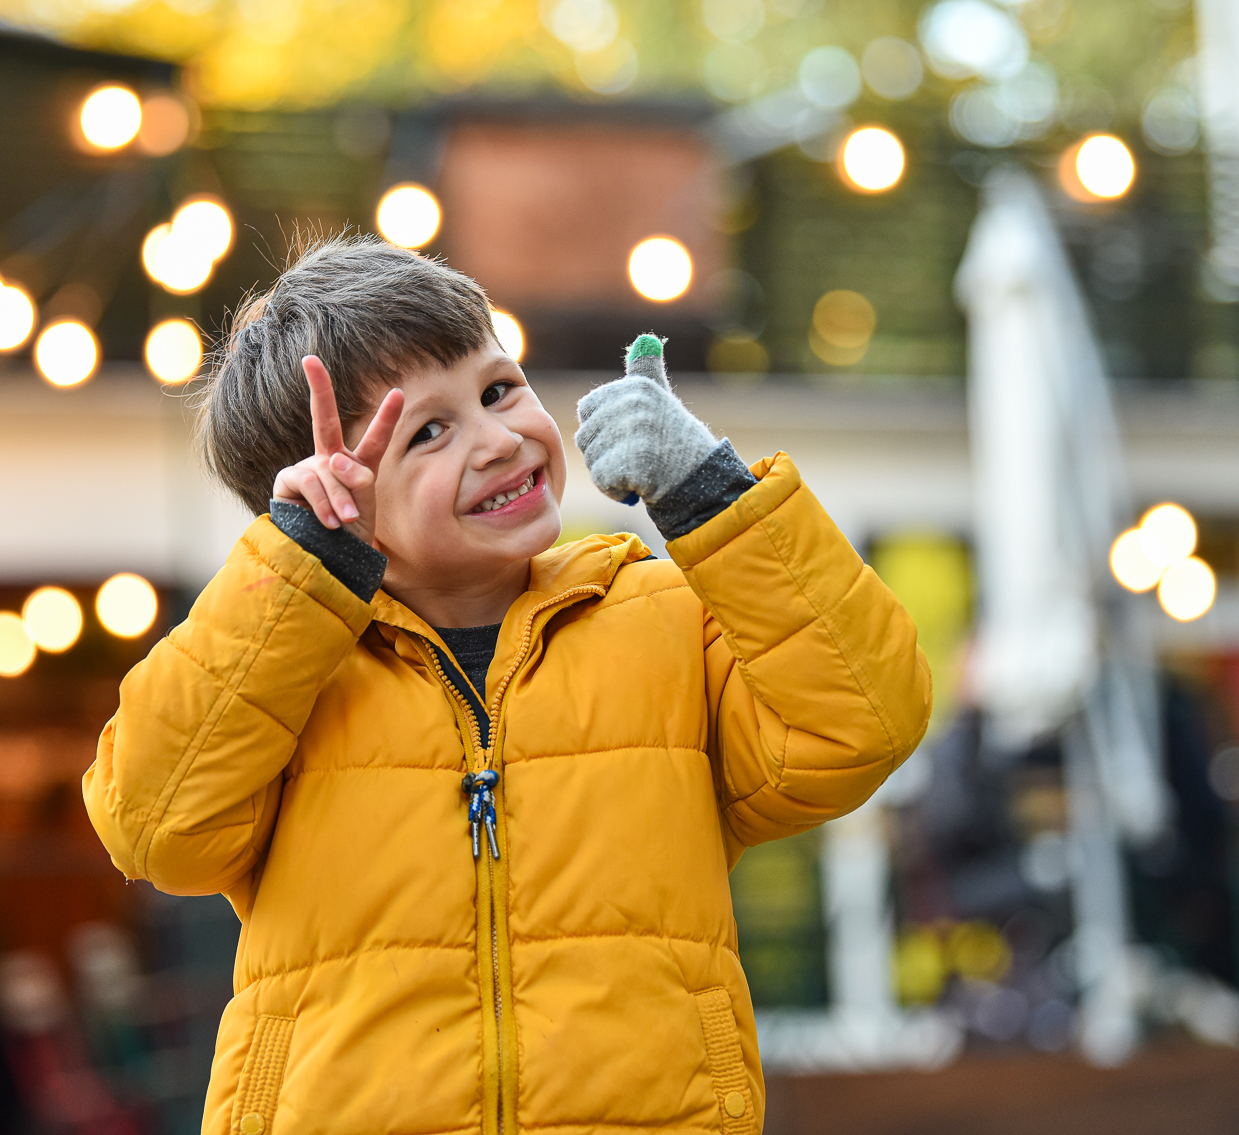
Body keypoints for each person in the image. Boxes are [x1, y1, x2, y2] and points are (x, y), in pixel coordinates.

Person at [82, 236, 931, 1135]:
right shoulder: (287, 671)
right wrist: (298, 572)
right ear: (333, 492)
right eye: (428, 431)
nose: (498, 440)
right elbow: (153, 826)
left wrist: (710, 496)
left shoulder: (668, 619)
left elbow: (865, 719)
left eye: (497, 389)